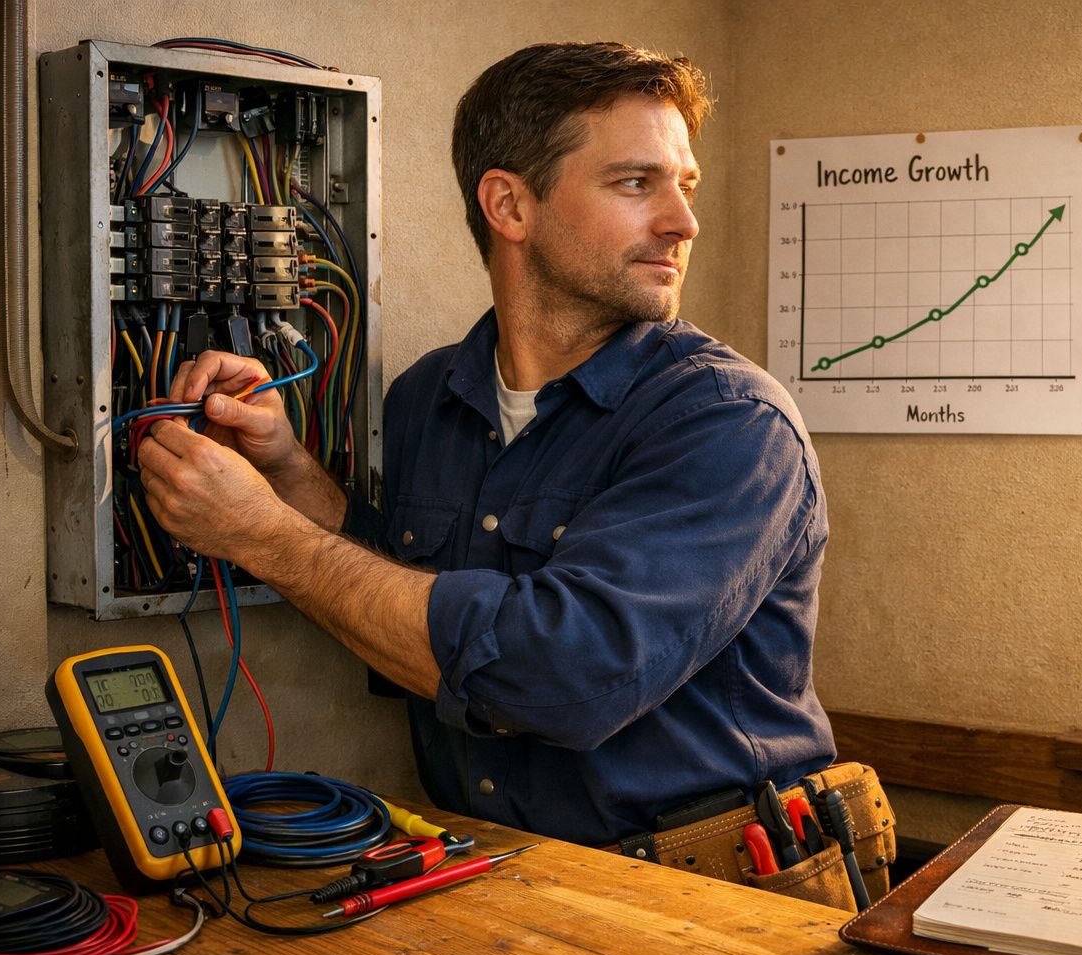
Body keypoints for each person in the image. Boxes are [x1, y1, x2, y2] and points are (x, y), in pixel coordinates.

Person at [137, 42, 836, 847]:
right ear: (509, 206)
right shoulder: (426, 400)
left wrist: (260, 535)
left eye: (684, 185)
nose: (684, 221)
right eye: (636, 183)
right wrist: (288, 474)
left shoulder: (729, 423)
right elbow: (400, 602)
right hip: (496, 878)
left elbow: (560, 678)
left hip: (708, 898)